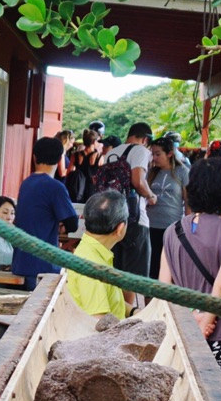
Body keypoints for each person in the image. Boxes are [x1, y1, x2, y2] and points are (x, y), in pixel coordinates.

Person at [157, 158, 221, 384]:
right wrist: (207, 321)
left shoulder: (172, 231)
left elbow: (163, 287)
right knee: (217, 400)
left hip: (181, 329)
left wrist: (191, 317)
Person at [13, 135, 80, 291]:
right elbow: (72, 224)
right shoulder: (55, 187)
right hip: (43, 265)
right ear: (59, 159)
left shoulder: (26, 183)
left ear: (34, 157)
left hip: (20, 261)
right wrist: (61, 224)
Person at [99, 122, 158, 281]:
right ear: (145, 139)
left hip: (111, 216)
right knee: (134, 276)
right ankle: (130, 306)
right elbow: (138, 181)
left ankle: (117, 306)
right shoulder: (141, 151)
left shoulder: (111, 153)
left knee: (114, 271)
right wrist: (151, 196)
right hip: (135, 218)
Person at [66, 190, 131, 320]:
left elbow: (108, 298)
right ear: (120, 228)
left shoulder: (93, 251)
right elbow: (99, 323)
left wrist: (133, 310)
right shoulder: (93, 266)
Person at [147, 137, 188, 237]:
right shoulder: (151, 172)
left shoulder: (183, 171)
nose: (154, 158)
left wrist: (188, 226)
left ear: (169, 154)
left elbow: (188, 201)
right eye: (152, 154)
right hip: (150, 224)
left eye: (158, 154)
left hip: (173, 226)